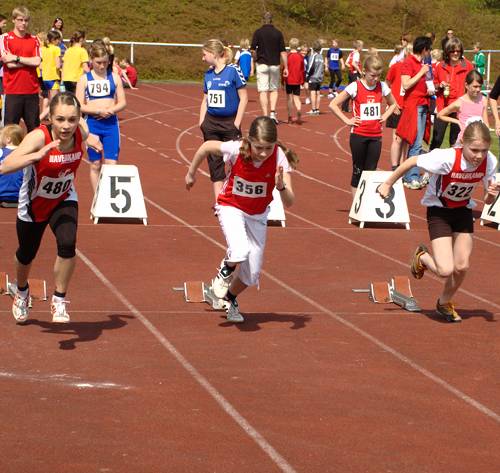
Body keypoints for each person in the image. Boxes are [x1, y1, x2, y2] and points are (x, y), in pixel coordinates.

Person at [378, 121, 498, 323]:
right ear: (463, 143)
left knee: (462, 266)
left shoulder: (490, 161)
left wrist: (492, 195)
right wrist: (388, 183)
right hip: (439, 212)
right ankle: (422, 257)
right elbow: (412, 161)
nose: (479, 156)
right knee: (445, 270)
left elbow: (487, 199)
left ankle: (444, 302)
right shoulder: (446, 158)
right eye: (474, 150)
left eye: (483, 150)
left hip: (463, 212)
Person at [0, 92, 101, 323]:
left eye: (72, 120)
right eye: (60, 120)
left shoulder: (79, 132)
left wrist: (92, 138)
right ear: (51, 118)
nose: (66, 126)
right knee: (26, 254)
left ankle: (59, 299)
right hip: (34, 204)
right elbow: (5, 166)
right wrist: (37, 155)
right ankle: (22, 291)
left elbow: (87, 133)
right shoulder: (38, 137)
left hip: (64, 197)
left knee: (67, 243)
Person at [185, 116, 297, 323]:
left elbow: (290, 202)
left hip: (257, 215)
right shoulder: (236, 149)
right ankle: (223, 273)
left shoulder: (279, 157)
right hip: (231, 206)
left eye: (268, 148)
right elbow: (206, 147)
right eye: (259, 148)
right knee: (239, 250)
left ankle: (229, 298)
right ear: (249, 141)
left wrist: (281, 186)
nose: (263, 153)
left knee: (251, 274)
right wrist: (191, 173)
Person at [330, 54, 397, 196]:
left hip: (376, 136)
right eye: (373, 75)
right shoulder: (355, 86)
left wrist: (384, 116)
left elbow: (393, 104)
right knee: (358, 171)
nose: (376, 79)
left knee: (371, 171)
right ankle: (356, 206)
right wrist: (347, 120)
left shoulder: (382, 86)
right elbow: (333, 104)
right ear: (364, 71)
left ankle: (366, 203)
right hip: (359, 135)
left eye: (379, 75)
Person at [199, 39, 248, 201]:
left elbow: (244, 98)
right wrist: (202, 123)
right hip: (211, 124)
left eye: (204, 54)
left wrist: (236, 123)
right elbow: (205, 100)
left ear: (213, 54)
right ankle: (219, 201)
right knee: (215, 163)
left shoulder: (233, 70)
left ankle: (236, 197)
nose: (203, 58)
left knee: (237, 161)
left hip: (230, 123)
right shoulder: (208, 74)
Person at [76, 42, 126, 192]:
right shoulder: (84, 79)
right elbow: (78, 106)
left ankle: (109, 199)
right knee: (95, 164)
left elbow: (123, 102)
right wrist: (97, 111)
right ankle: (97, 199)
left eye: (105, 62)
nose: (102, 66)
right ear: (91, 60)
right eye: (98, 63)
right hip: (92, 125)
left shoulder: (115, 77)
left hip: (111, 125)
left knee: (112, 165)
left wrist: (111, 110)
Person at [396, 35, 433, 189]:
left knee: (419, 141)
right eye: (428, 49)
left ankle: (410, 174)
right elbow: (406, 84)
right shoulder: (409, 63)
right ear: (424, 49)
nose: (429, 52)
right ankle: (411, 176)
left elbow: (425, 83)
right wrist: (421, 73)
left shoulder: (423, 63)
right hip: (414, 105)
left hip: (424, 103)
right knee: (415, 142)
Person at [0, 6, 41, 132]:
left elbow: (37, 61)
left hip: (32, 91)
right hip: (13, 91)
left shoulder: (34, 39)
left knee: (34, 130)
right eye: (20, 20)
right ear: (13, 20)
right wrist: (29, 62)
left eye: (26, 20)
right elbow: (9, 63)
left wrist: (16, 58)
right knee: (10, 132)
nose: (23, 23)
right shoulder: (5, 38)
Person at [431, 37, 474, 150]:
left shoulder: (468, 66)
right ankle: (430, 166)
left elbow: (474, 83)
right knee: (437, 139)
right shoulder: (440, 66)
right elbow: (433, 84)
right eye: (452, 51)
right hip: (443, 106)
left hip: (460, 108)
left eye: (458, 51)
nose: (455, 53)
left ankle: (455, 167)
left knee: (456, 141)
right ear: (447, 52)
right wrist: (439, 85)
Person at [251, 11, 288, 123]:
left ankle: (265, 115)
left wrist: (255, 60)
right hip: (274, 65)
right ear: (272, 20)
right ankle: (272, 113)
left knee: (263, 91)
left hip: (262, 64)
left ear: (263, 20)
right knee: (273, 90)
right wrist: (286, 67)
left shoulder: (258, 32)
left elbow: (252, 50)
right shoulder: (278, 33)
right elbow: (283, 52)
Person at [437, 70, 489, 145]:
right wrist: (457, 122)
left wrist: (486, 138)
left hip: (479, 141)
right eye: (475, 86)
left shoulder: (483, 100)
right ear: (466, 85)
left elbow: (486, 122)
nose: (478, 89)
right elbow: (440, 115)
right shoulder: (460, 102)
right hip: (464, 141)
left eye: (480, 86)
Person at [385, 44, 411, 170]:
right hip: (397, 106)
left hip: (410, 108)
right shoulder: (396, 67)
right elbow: (387, 84)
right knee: (397, 138)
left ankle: (403, 165)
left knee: (406, 139)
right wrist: (392, 103)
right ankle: (395, 166)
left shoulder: (417, 69)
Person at [0, 124, 24, 204]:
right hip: (20, 195)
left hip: (1, 193)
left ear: (8, 139)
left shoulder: (1, 152)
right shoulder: (25, 153)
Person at [40, 30, 62, 101]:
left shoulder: (42, 49)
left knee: (45, 99)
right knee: (54, 100)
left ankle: (42, 112)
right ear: (53, 40)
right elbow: (58, 65)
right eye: (58, 39)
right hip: (53, 77)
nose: (59, 41)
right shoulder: (56, 49)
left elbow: (40, 65)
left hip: (43, 77)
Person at [343, 40, 363, 112]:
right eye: (362, 46)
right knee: (356, 89)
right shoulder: (357, 54)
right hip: (355, 73)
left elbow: (346, 63)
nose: (362, 48)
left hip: (350, 73)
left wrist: (351, 67)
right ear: (359, 47)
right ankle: (357, 106)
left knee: (349, 89)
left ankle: (344, 107)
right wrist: (359, 71)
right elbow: (354, 63)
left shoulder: (351, 53)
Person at [306, 40, 325, 116]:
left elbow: (310, 66)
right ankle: (317, 109)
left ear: (313, 48)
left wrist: (307, 76)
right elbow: (322, 67)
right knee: (318, 92)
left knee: (313, 92)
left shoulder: (313, 56)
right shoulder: (321, 57)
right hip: (319, 77)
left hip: (313, 77)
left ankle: (313, 109)